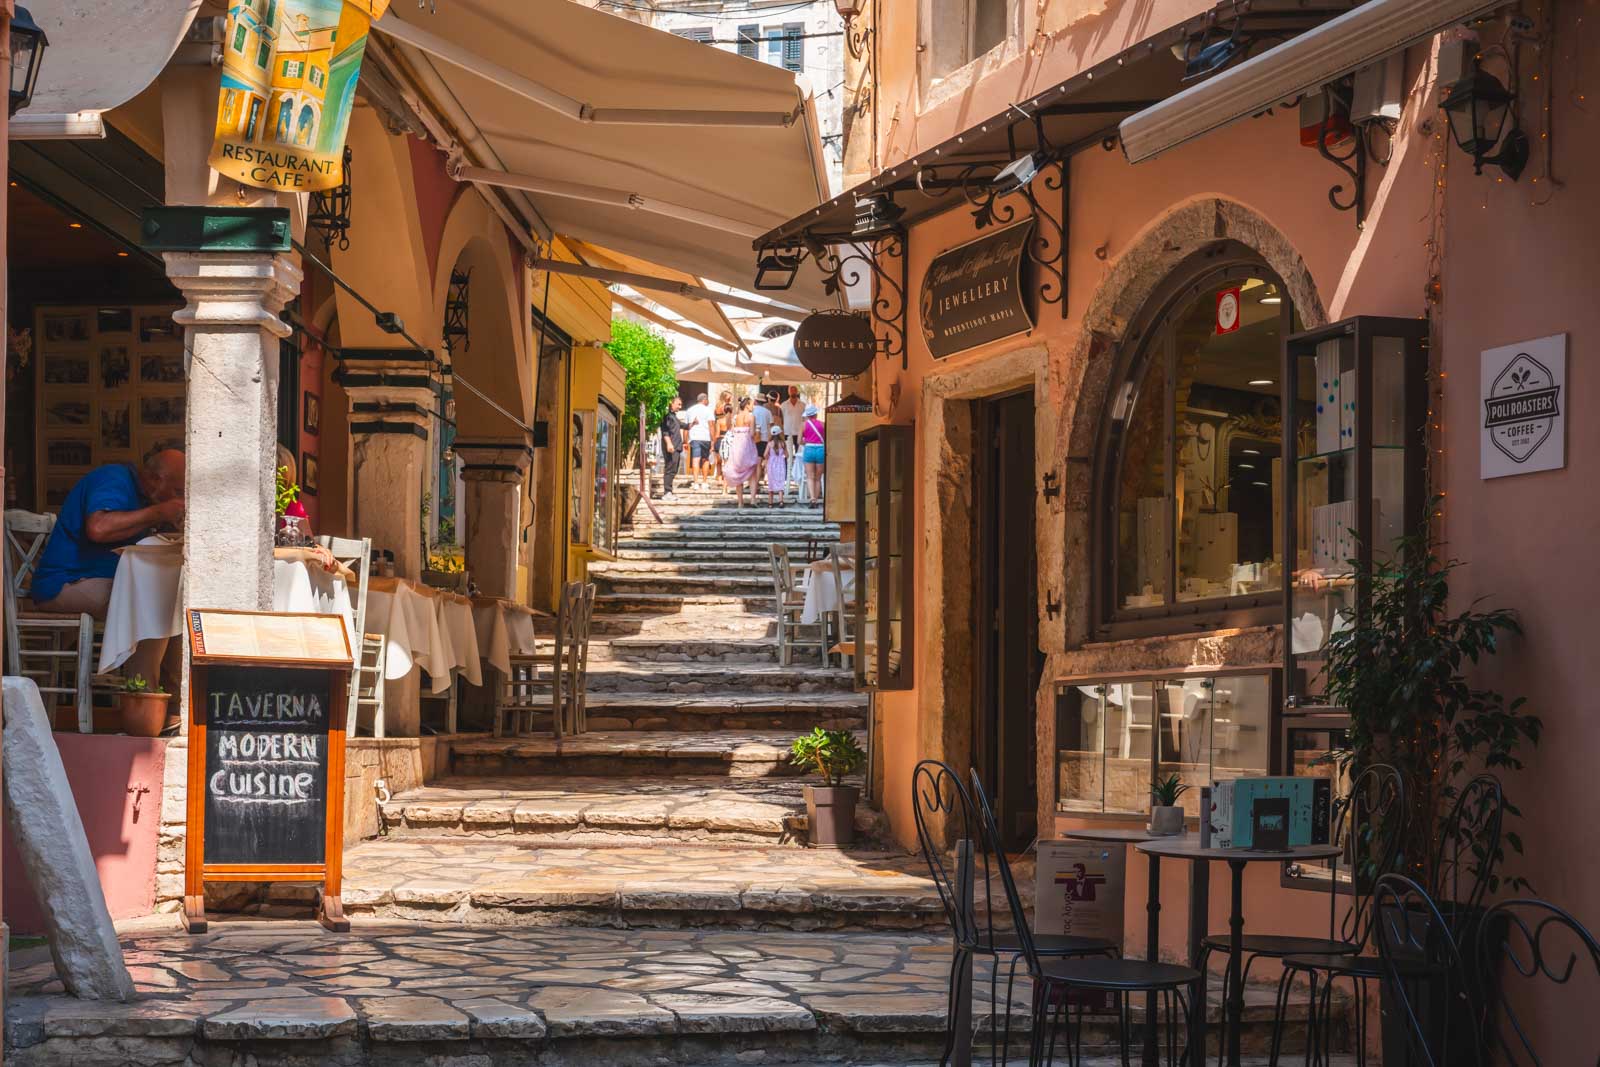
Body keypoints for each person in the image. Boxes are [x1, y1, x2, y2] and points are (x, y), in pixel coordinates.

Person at [31, 449, 186, 689]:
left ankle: (175, 700)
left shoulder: (144, 497)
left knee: (174, 602)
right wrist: (159, 512)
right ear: (156, 480)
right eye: (177, 491)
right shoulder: (113, 478)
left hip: (96, 580)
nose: (180, 499)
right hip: (63, 583)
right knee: (151, 603)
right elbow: (99, 528)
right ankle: (145, 695)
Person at [720, 397, 761, 508]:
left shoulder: (736, 417)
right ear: (747, 405)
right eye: (752, 404)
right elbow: (752, 434)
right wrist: (757, 432)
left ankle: (740, 502)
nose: (753, 406)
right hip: (747, 445)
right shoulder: (751, 417)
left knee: (738, 473)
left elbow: (732, 430)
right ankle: (752, 500)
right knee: (752, 472)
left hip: (737, 445)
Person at [683, 392, 715, 489]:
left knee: (695, 459)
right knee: (705, 459)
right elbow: (711, 426)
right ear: (704, 400)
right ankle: (704, 481)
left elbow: (686, 427)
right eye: (707, 400)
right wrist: (713, 440)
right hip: (706, 438)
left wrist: (685, 441)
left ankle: (696, 482)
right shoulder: (708, 410)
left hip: (694, 437)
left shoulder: (689, 410)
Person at [658, 396, 683, 499]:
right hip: (671, 447)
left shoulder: (674, 417)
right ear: (671, 404)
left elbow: (683, 425)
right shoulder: (667, 416)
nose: (680, 407)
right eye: (678, 404)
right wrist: (669, 443)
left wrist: (692, 424)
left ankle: (669, 491)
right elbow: (665, 431)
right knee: (670, 468)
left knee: (674, 469)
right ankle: (667, 492)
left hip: (676, 447)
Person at [801, 403, 826, 506]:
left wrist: (806, 441)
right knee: (818, 477)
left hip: (809, 449)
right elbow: (826, 439)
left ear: (807, 415)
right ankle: (816, 497)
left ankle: (812, 499)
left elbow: (798, 441)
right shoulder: (823, 424)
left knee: (810, 476)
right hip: (820, 449)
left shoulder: (803, 425)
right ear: (816, 414)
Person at [765, 424, 789, 507]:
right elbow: (787, 455)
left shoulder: (769, 443)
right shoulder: (783, 443)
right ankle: (781, 501)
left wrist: (770, 457)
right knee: (780, 481)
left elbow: (765, 454)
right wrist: (781, 456)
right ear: (780, 434)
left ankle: (770, 503)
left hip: (771, 464)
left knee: (771, 482)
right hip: (781, 464)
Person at [781, 385, 806, 454]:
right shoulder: (783, 405)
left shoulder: (803, 405)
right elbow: (781, 419)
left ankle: (798, 465)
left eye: (794, 390)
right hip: (787, 432)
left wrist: (804, 431)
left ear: (797, 392)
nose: (793, 392)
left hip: (799, 433)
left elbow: (805, 420)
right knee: (788, 453)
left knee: (799, 453)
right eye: (791, 390)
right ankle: (788, 465)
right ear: (788, 392)